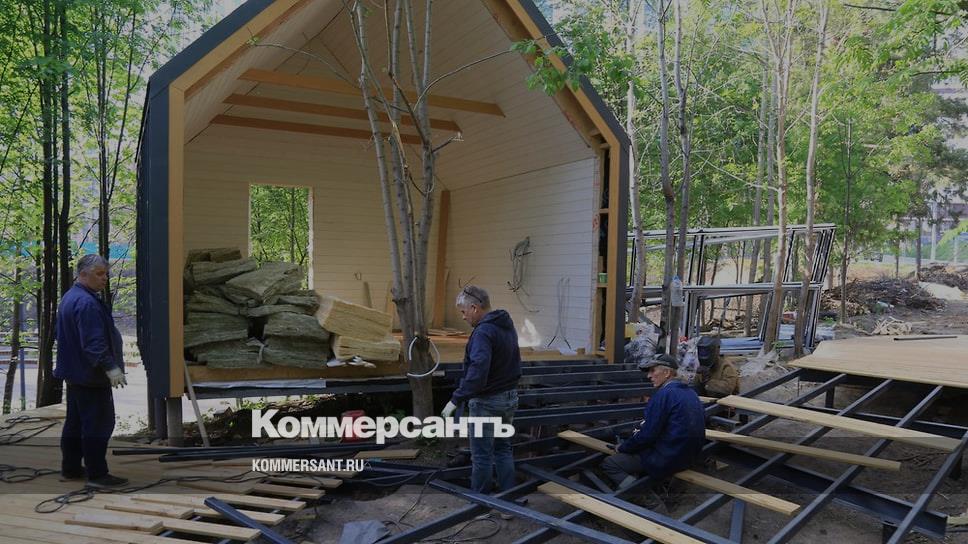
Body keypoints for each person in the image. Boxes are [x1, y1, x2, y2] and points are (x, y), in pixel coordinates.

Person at [54, 254, 129, 488]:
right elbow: (94, 343)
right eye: (99, 274)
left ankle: (71, 468)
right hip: (90, 376)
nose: (104, 278)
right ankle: (98, 475)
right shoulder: (86, 303)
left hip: (75, 374)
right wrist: (111, 368)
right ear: (83, 274)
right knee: (99, 425)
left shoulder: (70, 297)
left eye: (105, 273)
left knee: (75, 423)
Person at [441, 285, 522, 494]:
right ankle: (508, 498)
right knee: (503, 449)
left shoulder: (483, 332)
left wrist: (456, 399)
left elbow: (478, 369)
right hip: (509, 398)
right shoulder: (506, 325)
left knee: (481, 456)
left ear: (475, 308)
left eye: (464, 311)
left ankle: (480, 502)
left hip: (487, 402)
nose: (463, 316)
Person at [601, 354, 705, 489]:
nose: (648, 376)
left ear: (667, 373)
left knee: (610, 463)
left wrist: (623, 447)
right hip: (689, 457)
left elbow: (647, 435)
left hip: (669, 458)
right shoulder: (691, 393)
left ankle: (639, 494)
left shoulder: (663, 395)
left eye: (652, 370)